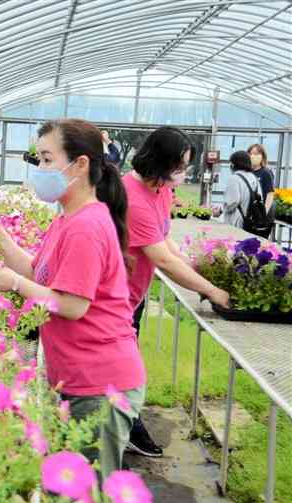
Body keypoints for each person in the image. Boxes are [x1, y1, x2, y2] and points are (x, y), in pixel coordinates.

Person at [0, 119, 144, 479]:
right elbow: (40, 273)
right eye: (39, 159)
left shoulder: (86, 226)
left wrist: (15, 284)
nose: (40, 169)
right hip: (82, 378)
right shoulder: (69, 218)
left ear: (80, 164)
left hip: (101, 383)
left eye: (48, 159)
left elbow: (71, 305)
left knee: (90, 497)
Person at [123, 127, 230, 458]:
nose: (184, 173)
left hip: (134, 294)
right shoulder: (131, 197)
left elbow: (166, 241)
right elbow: (163, 260)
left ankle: (124, 424)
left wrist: (196, 273)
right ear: (159, 161)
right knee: (123, 369)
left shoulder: (160, 189)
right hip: (112, 299)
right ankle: (122, 430)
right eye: (180, 166)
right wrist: (213, 290)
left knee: (127, 365)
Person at [224, 151, 263, 230]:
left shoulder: (234, 178)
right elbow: (260, 197)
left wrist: (221, 209)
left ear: (234, 164)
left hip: (236, 221)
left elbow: (232, 202)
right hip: (251, 221)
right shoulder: (254, 177)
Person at [248, 143, 275, 215]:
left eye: (256, 154)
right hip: (251, 212)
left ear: (262, 156)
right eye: (250, 154)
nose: (252, 156)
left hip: (262, 213)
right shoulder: (247, 172)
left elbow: (270, 194)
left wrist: (264, 213)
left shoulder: (266, 172)